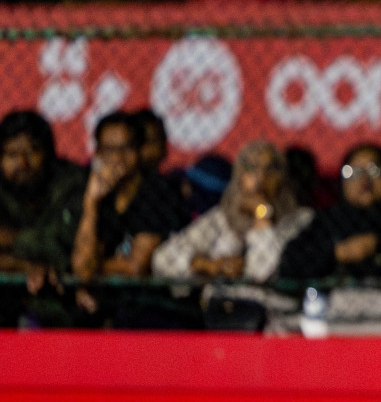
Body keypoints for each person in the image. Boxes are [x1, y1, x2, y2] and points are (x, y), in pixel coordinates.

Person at [151, 141, 314, 284]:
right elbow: (162, 259)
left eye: (270, 169)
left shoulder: (300, 220)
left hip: (270, 308)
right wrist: (209, 265)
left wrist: (261, 214)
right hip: (219, 305)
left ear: (282, 178)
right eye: (251, 168)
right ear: (240, 176)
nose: (260, 177)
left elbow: (262, 274)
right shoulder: (223, 217)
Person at [277, 142, 381, 279]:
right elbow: (290, 263)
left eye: (375, 170)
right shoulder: (330, 219)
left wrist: (377, 246)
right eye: (354, 172)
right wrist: (338, 253)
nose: (364, 179)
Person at [71, 112, 188, 282]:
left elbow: (135, 267)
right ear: (97, 153)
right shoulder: (90, 191)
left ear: (139, 150)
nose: (117, 158)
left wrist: (92, 268)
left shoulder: (158, 191)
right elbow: (82, 265)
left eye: (125, 148)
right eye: (109, 149)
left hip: (151, 293)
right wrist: (91, 203)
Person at [0, 111, 86, 326]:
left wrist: (11, 240)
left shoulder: (70, 183)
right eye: (11, 154)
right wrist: (25, 266)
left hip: (61, 296)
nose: (22, 163)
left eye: (31, 152)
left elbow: (63, 247)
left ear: (48, 153)